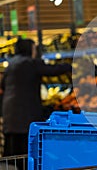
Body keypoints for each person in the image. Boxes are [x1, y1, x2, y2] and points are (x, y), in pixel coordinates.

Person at [0, 38, 72, 168]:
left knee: (14, 153)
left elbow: (3, 85)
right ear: (30, 49)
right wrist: (71, 65)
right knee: (27, 151)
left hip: (10, 114)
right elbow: (52, 70)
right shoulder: (30, 63)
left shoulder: (12, 64)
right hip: (25, 114)